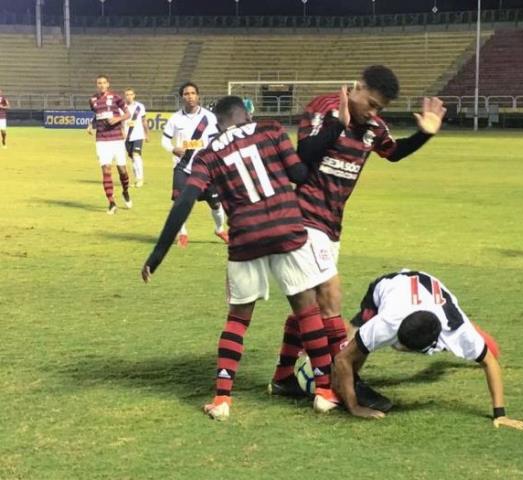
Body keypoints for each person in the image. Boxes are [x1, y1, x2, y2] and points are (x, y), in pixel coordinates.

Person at [142, 96, 341, 421]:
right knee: (307, 310)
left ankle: (222, 400)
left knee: (237, 320)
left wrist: (158, 253)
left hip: (246, 237)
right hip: (287, 228)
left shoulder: (209, 153)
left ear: (218, 124)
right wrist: (334, 130)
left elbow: (186, 201)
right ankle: (324, 392)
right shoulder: (271, 130)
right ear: (247, 115)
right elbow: (300, 173)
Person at [269, 65, 447, 396]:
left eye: (381, 109)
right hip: (304, 218)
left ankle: (283, 378)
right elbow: (302, 160)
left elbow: (393, 153)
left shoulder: (374, 127)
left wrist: (425, 134)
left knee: (311, 304)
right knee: (331, 297)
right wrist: (339, 124)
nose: (375, 113)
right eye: (372, 104)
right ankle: (334, 383)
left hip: (332, 224)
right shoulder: (323, 108)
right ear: (357, 88)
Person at [332, 269, 523, 430]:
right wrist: (354, 407)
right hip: (390, 285)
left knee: (479, 346)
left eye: (404, 348)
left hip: (434, 298)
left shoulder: (455, 330)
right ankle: (339, 385)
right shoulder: (386, 322)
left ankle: (476, 335)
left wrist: (500, 415)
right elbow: (343, 358)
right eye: (398, 345)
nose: (398, 349)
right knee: (354, 345)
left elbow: (490, 362)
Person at [161, 82, 228, 247]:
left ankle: (220, 229)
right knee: (179, 202)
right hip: (182, 167)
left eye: (192, 93)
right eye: (186, 94)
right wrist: (173, 149)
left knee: (215, 203)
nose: (190, 96)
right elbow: (164, 139)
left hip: (205, 168)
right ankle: (182, 233)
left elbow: (216, 139)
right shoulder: (175, 118)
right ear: (182, 97)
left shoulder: (209, 117)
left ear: (198, 96)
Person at [87, 75, 132, 214]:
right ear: (97, 85)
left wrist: (117, 118)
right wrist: (91, 124)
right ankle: (111, 202)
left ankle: (125, 190)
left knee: (122, 171)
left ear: (108, 84)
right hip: (101, 140)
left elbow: (128, 113)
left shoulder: (116, 97)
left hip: (117, 139)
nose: (101, 85)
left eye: (103, 83)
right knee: (106, 169)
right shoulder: (92, 100)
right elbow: (97, 116)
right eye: (99, 83)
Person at [123, 88, 150, 187]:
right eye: (127, 95)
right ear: (124, 96)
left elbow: (144, 121)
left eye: (130, 94)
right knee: (132, 158)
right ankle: (136, 179)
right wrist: (122, 132)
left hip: (138, 135)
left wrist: (147, 134)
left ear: (134, 95)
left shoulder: (140, 106)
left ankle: (140, 179)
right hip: (126, 136)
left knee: (136, 155)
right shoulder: (122, 107)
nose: (129, 96)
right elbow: (121, 122)